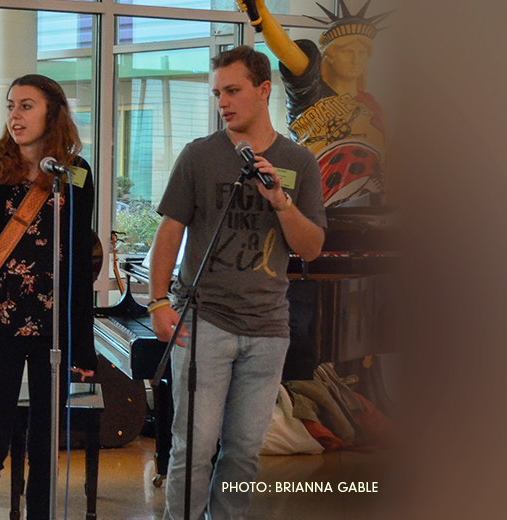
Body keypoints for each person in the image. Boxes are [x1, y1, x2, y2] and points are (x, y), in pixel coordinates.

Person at [149, 47, 326, 519]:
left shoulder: (299, 162)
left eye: (233, 91)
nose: (223, 102)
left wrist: (282, 203)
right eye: (216, 93)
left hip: (268, 329)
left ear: (263, 90)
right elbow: (169, 233)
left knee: (244, 453)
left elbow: (310, 248)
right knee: (194, 449)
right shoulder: (199, 156)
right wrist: (157, 302)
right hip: (205, 322)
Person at [0, 73, 97, 520]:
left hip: (51, 329)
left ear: (52, 113)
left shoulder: (76, 173)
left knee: (44, 442)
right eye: (11, 106)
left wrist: (82, 340)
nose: (15, 116)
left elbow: (77, 262)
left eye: (26, 106)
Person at [237, 0, 388, 206]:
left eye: (362, 53)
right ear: (331, 56)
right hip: (315, 195)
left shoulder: (372, 106)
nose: (356, 60)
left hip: (365, 199)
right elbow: (286, 50)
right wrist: (262, 11)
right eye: (348, 52)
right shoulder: (310, 88)